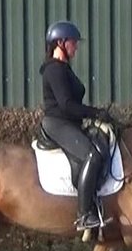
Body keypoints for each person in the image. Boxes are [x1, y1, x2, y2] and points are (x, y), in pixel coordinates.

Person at [39, 20, 114, 230]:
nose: (76, 46)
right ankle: (84, 215)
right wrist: (95, 113)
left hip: (69, 122)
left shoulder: (64, 68)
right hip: (57, 123)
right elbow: (66, 105)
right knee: (92, 155)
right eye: (73, 42)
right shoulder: (54, 70)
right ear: (60, 43)